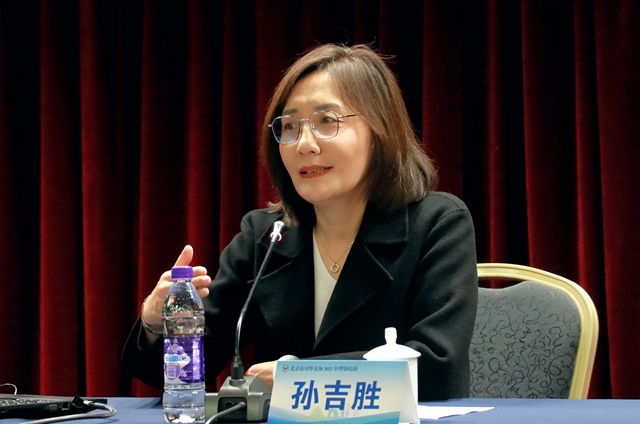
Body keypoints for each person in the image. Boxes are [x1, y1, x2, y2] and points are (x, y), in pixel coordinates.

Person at [122, 43, 478, 401]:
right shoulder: (265, 237)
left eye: (327, 121)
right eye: (290, 126)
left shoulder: (436, 225)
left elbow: (437, 366)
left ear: (379, 129)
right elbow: (183, 375)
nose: (304, 144)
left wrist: (301, 377)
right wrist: (156, 322)